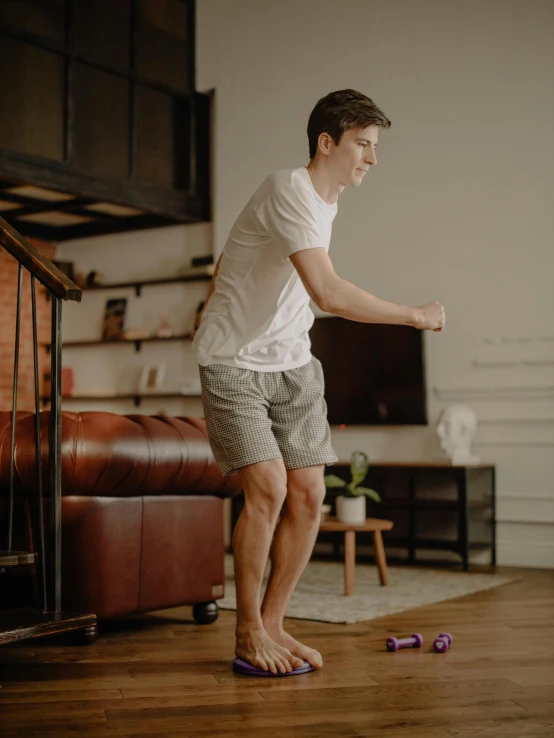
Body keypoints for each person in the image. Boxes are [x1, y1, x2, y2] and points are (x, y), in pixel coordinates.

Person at [192, 89, 445, 675]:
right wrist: (415, 315)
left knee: (309, 494)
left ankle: (275, 625)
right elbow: (328, 293)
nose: (371, 159)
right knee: (270, 489)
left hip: (294, 363)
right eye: (362, 144)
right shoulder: (288, 189)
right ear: (326, 142)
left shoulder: (326, 205)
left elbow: (258, 275)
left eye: (375, 147)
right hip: (234, 363)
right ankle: (248, 631)